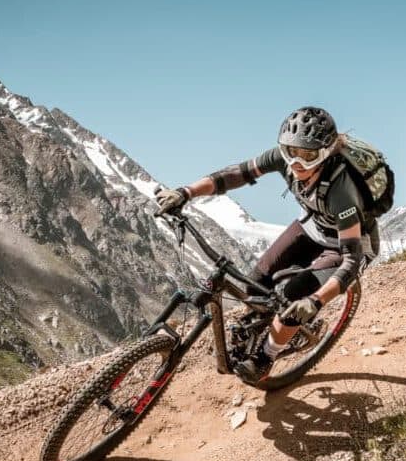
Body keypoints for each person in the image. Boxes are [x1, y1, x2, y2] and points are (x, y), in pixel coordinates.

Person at [154, 106, 381, 384]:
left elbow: (351, 260)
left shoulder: (341, 190)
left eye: (308, 155)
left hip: (347, 245)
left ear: (325, 152)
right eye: (290, 151)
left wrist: (315, 301)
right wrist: (186, 192)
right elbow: (236, 174)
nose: (296, 162)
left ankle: (266, 357)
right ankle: (262, 328)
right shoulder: (285, 158)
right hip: (313, 225)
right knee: (255, 282)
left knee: (293, 298)